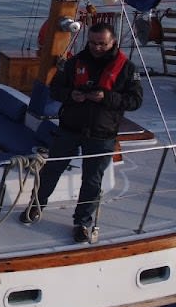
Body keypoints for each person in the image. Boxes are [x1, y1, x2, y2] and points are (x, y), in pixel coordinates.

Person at [20, 22, 143, 242]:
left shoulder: (128, 69)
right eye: (93, 43)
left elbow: (135, 101)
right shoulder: (73, 63)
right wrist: (71, 95)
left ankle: (82, 223)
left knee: (92, 181)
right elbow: (56, 90)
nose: (97, 47)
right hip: (70, 128)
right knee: (51, 171)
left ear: (113, 41)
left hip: (102, 134)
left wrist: (107, 97)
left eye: (102, 44)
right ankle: (36, 206)